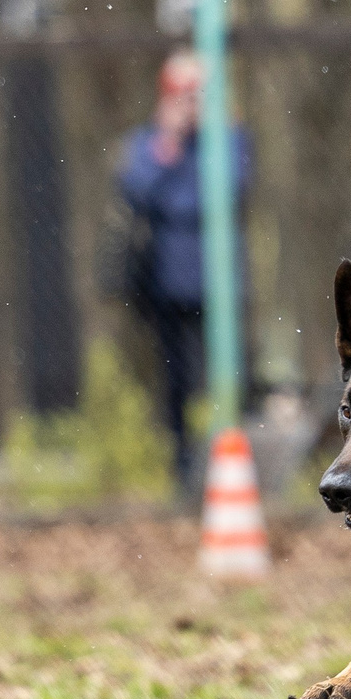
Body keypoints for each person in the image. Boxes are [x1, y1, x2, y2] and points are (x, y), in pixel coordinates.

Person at [115, 50, 252, 496]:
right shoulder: (149, 143)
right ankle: (182, 467)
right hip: (167, 285)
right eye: (182, 95)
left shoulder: (228, 139)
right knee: (176, 380)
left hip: (221, 284)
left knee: (227, 377)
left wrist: (211, 133)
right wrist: (168, 145)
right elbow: (138, 191)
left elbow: (225, 189)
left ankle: (229, 458)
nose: (191, 105)